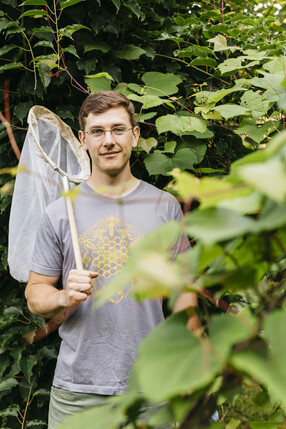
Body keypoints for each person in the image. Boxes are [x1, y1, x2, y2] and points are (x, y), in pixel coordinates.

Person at [25, 91, 199, 429]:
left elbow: (184, 298)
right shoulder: (60, 211)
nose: (109, 141)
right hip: (78, 392)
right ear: (83, 139)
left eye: (118, 130)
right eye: (98, 131)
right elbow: (35, 294)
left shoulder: (165, 207)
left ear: (135, 135)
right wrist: (62, 296)